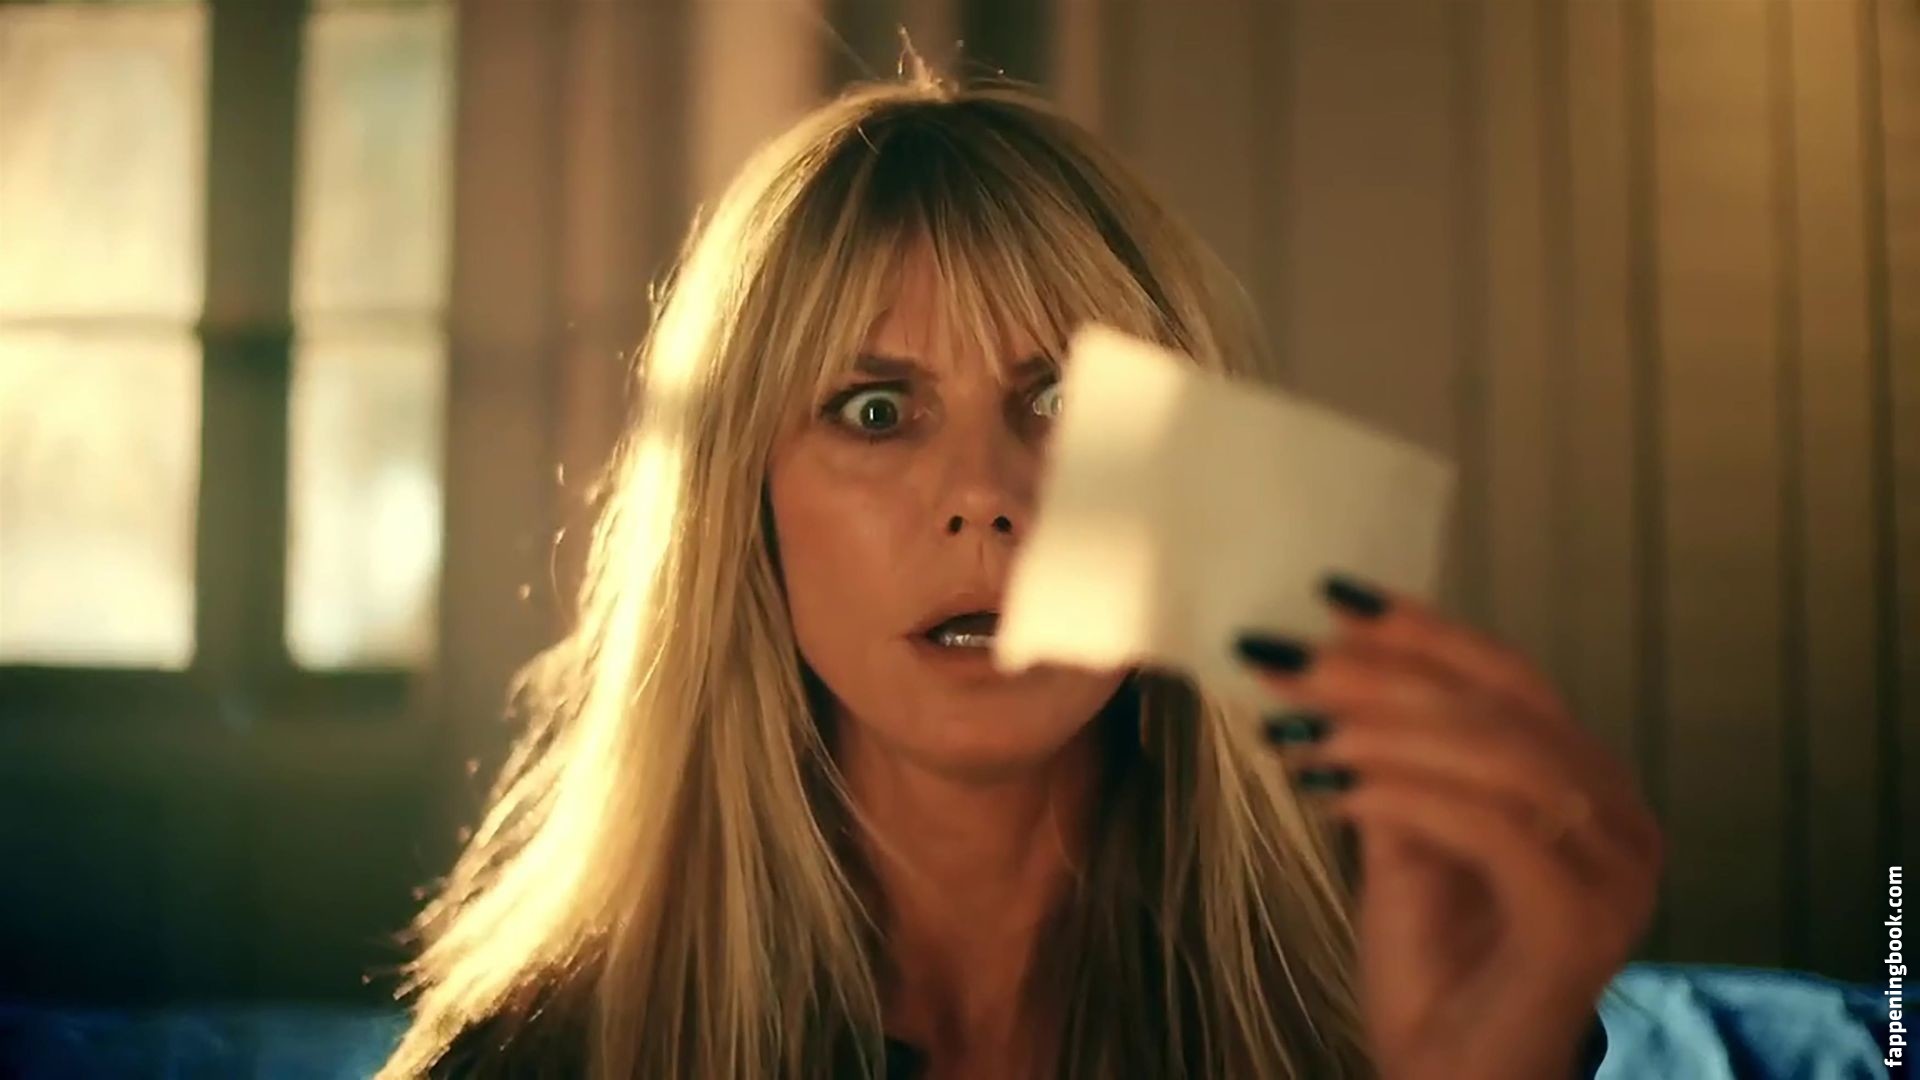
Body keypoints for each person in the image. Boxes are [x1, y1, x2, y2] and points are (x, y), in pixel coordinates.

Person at [376, 55, 1661, 1080]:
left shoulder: (1401, 1013)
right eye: (877, 411)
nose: (985, 497)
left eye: (1059, 402)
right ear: (739, 513)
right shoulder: (546, 1058)